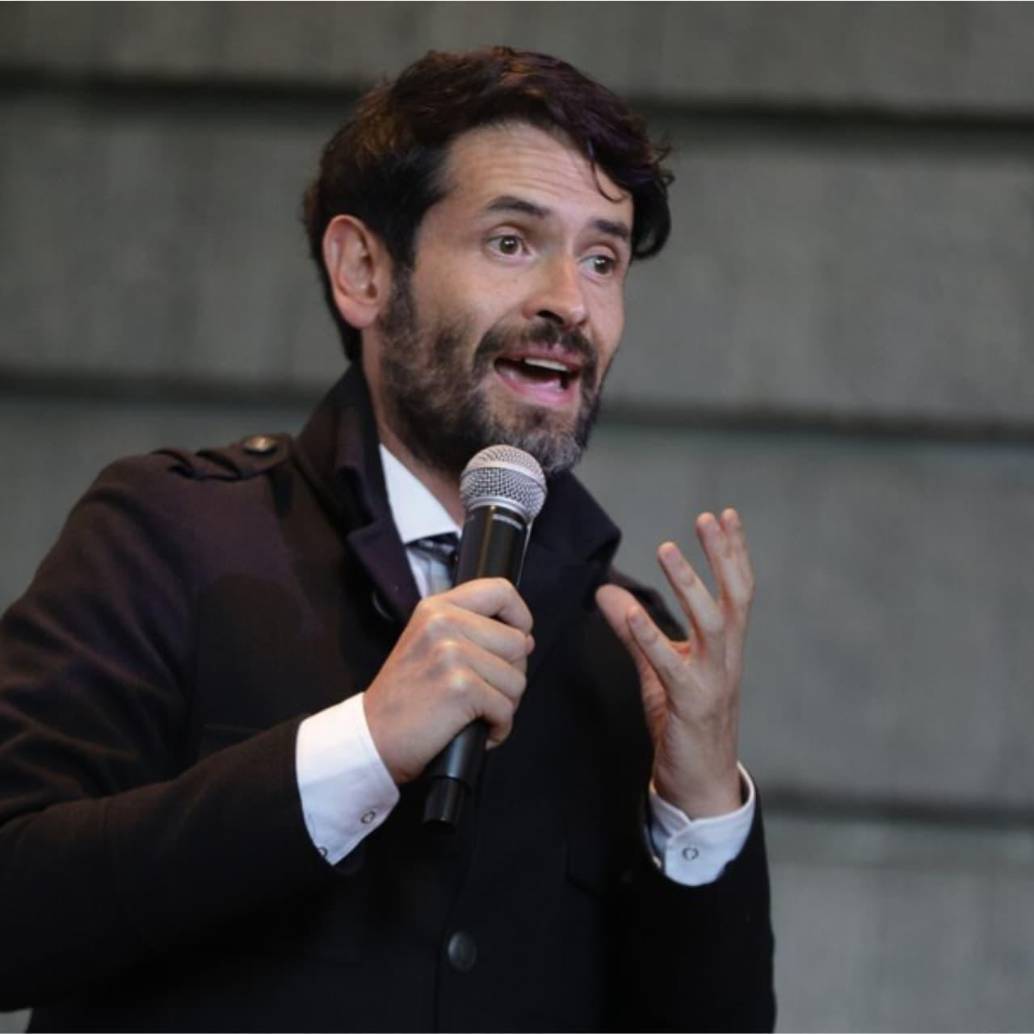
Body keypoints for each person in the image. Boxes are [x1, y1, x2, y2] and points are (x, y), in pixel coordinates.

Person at [0, 47, 774, 1032]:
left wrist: (698, 804)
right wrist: (361, 743)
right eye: (509, 241)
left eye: (601, 257)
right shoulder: (169, 533)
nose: (568, 303)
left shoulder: (623, 643)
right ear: (363, 270)